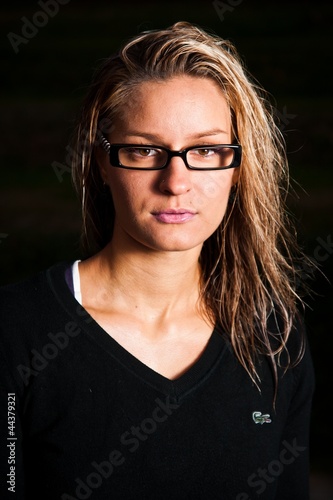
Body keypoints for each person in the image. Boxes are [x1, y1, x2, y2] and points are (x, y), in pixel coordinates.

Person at [0, 21, 314, 500]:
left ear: (238, 166)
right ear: (101, 162)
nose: (176, 181)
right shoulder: (14, 331)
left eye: (206, 150)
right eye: (145, 150)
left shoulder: (273, 336)